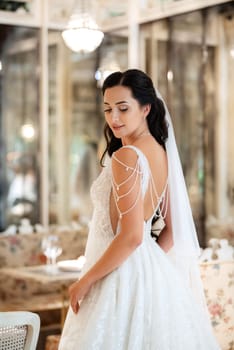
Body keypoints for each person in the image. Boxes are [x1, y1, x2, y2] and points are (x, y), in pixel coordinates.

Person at [59, 69, 220, 349]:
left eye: (123, 108)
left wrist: (85, 281)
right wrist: (151, 266)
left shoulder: (126, 157)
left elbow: (132, 236)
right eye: (108, 109)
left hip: (117, 278)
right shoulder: (160, 152)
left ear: (146, 108)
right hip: (148, 274)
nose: (114, 118)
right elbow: (170, 229)